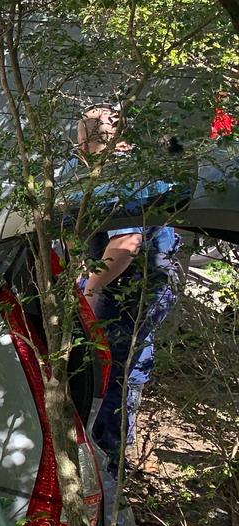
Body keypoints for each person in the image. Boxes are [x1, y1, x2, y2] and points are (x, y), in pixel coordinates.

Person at [69, 105, 181, 474]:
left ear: (85, 142)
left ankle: (106, 463)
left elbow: (126, 245)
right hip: (153, 283)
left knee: (111, 369)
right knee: (129, 364)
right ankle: (115, 457)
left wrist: (90, 289)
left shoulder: (115, 177)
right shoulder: (139, 165)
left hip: (134, 288)